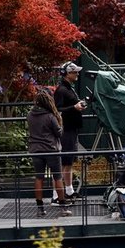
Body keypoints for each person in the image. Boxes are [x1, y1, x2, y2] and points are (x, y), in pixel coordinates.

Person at [27, 89, 70, 215]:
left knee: (39, 177)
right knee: (57, 177)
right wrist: (60, 121)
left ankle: (40, 208)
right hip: (51, 150)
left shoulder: (30, 115)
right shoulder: (50, 116)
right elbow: (59, 133)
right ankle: (62, 207)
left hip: (35, 150)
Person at [54, 62, 87, 201]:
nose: (77, 74)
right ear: (68, 73)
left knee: (69, 162)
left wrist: (78, 105)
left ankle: (68, 190)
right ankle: (57, 195)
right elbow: (58, 110)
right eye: (75, 72)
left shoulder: (69, 89)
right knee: (63, 162)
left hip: (72, 128)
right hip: (66, 129)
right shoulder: (61, 90)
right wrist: (74, 107)